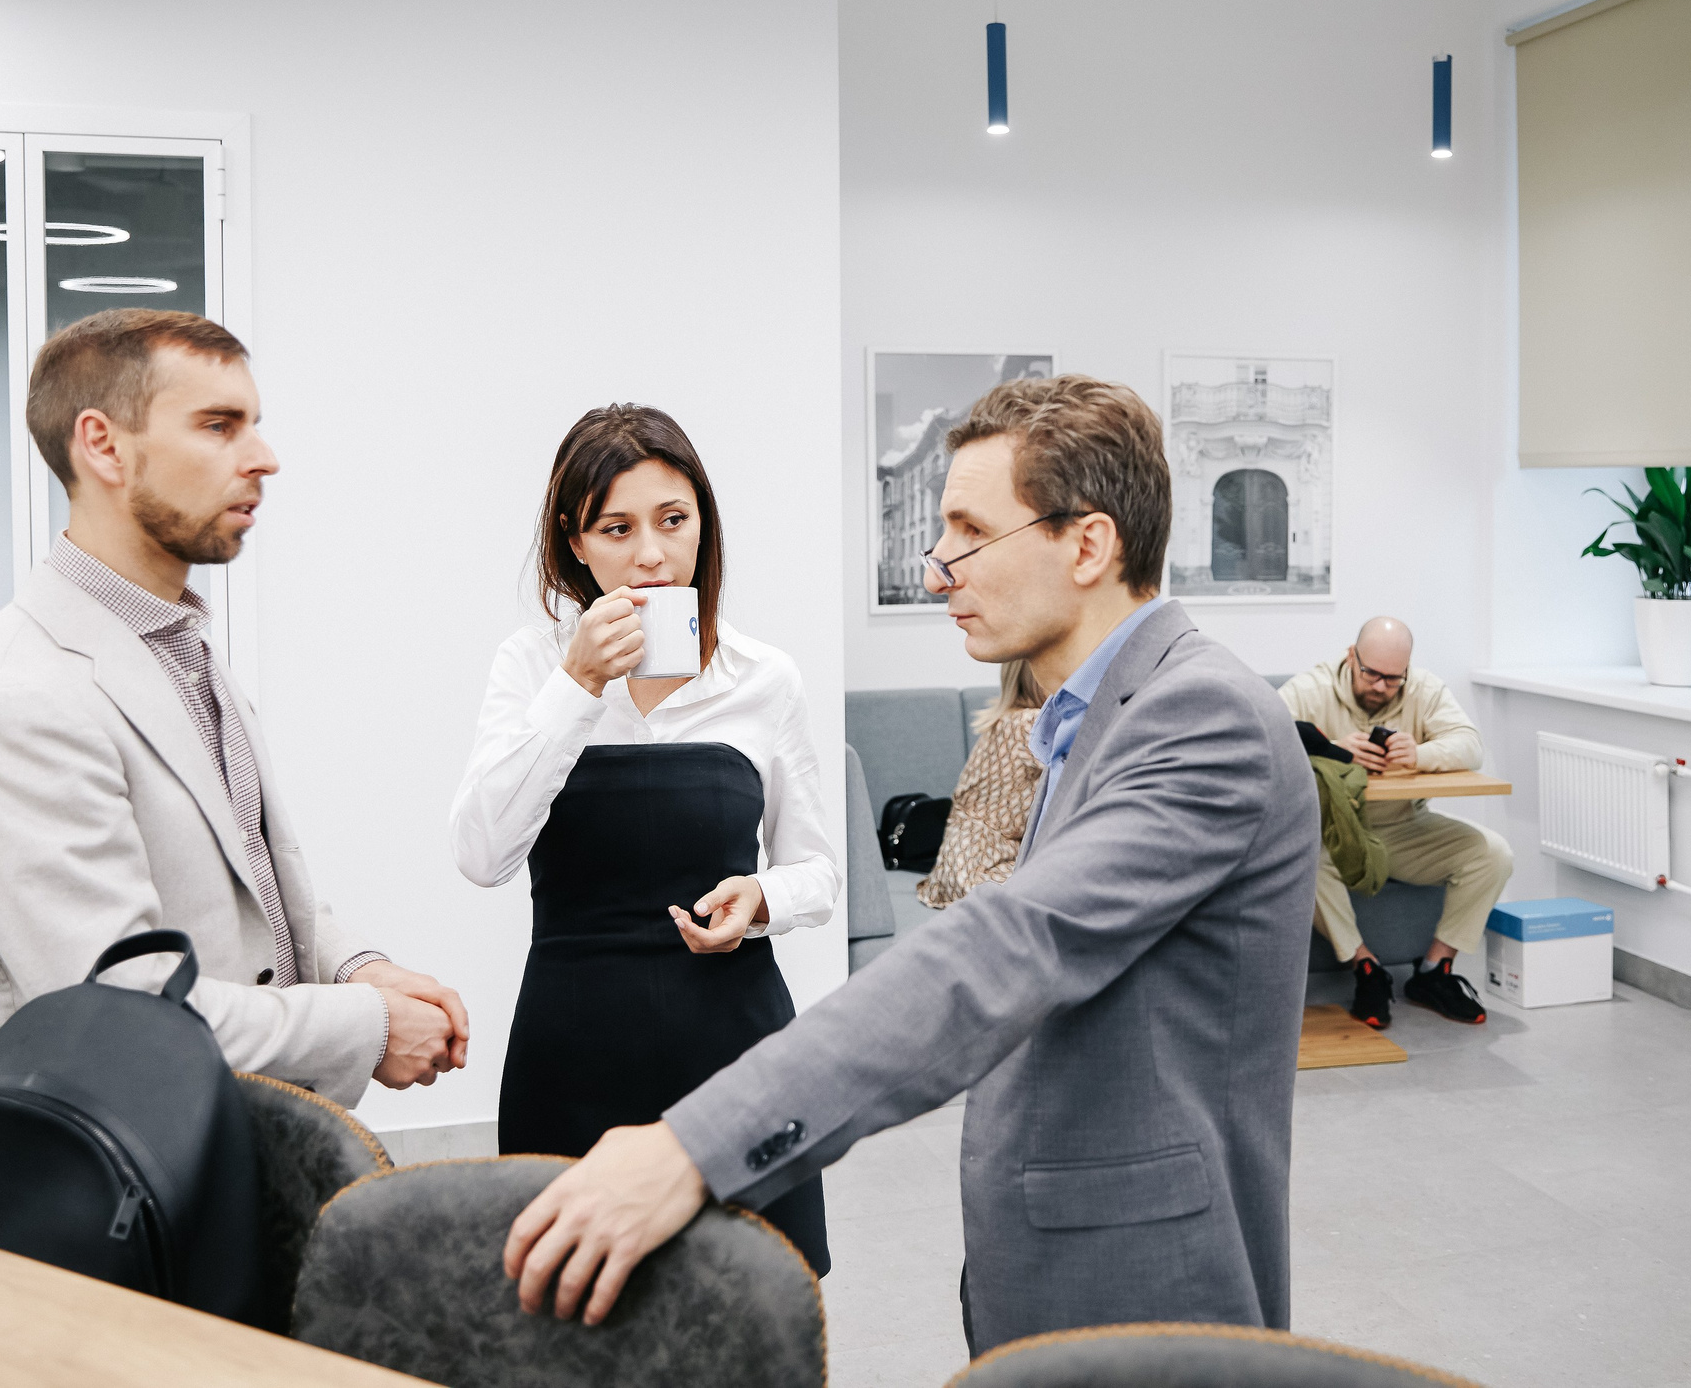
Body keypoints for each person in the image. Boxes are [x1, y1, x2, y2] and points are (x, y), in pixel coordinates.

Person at [497, 376, 1318, 1355]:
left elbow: (1000, 953)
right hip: (1052, 1246)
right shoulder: (1082, 716)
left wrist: (687, 1148)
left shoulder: (1203, 715)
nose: (936, 568)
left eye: (968, 533)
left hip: (1147, 1276)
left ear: (1087, 545)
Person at [0, 309, 467, 1106]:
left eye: (254, 425)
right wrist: (367, 1023)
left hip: (241, 1147)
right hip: (134, 1186)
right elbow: (125, 1016)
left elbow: (253, 889)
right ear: (102, 444)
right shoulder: (20, 696)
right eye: (220, 425)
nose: (265, 458)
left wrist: (358, 967)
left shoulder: (178, 643)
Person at [450, 405, 840, 1273]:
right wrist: (578, 682)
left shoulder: (763, 678)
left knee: (755, 1311)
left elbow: (818, 869)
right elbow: (481, 854)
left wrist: (763, 898)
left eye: (673, 520)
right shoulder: (530, 667)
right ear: (575, 542)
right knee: (570, 1318)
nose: (652, 555)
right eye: (616, 529)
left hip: (734, 1047)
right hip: (572, 1044)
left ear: (704, 523)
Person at [1279, 616, 1513, 1031]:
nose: (1381, 687)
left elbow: (1470, 746)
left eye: (1393, 678)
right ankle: (1366, 968)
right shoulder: (1310, 689)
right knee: (1303, 861)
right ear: (1352, 657)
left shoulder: (1423, 689)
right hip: (1333, 833)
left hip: (1406, 829)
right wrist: (1331, 749)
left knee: (1492, 853)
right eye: (1371, 674)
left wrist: (1419, 754)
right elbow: (1265, 735)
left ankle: (1435, 972)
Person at [913, 660, 1043, 909]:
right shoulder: (1028, 723)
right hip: (985, 862)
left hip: (961, 857)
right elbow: (1082, 768)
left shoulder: (1008, 718)